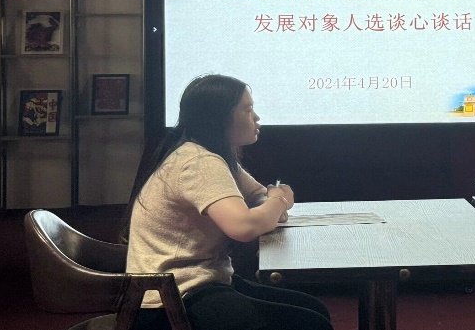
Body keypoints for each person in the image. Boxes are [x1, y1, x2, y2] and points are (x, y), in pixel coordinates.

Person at [123, 74, 333, 330]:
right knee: (310, 323)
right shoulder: (199, 162)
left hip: (204, 282)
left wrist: (269, 207)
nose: (256, 117)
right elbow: (244, 227)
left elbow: (258, 196)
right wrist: (278, 201)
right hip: (170, 300)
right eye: (248, 110)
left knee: (313, 310)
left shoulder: (211, 155)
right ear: (219, 117)